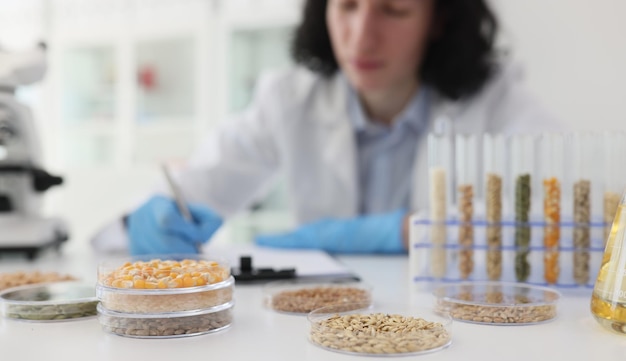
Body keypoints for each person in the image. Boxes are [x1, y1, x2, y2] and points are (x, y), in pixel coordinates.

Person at [92, 0, 561, 255]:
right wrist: (144, 221)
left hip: (455, 336)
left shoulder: (496, 101)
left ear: (438, 19)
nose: (361, 36)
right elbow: (195, 185)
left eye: (393, 10)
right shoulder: (289, 100)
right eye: (347, 6)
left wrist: (404, 232)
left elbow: (567, 220)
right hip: (323, 333)